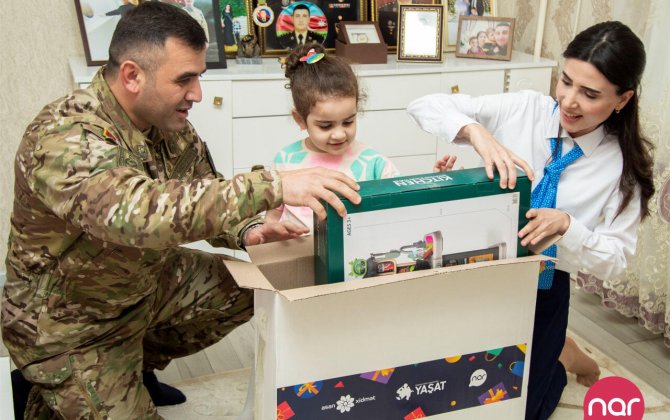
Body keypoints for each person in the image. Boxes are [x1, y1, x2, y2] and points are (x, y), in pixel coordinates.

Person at [1, 3, 361, 419]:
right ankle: (48, 385)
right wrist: (275, 185)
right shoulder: (64, 135)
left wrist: (247, 230)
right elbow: (139, 214)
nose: (198, 94)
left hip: (142, 284)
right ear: (133, 75)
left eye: (199, 77)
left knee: (254, 288)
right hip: (71, 324)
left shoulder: (170, 126)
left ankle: (134, 367)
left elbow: (202, 191)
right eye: (184, 79)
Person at [408, 21, 654, 420]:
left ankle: (560, 357)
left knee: (525, 410)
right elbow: (422, 104)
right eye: (566, 81)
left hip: (545, 284)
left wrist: (568, 228)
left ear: (622, 99)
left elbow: (617, 260)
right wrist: (475, 133)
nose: (569, 102)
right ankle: (562, 346)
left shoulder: (623, 167)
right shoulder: (526, 108)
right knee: (452, 392)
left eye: (590, 94)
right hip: (480, 267)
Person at [269, 44, 458, 231]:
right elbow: (273, 215)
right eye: (326, 126)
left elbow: (404, 204)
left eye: (348, 122)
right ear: (300, 120)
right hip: (295, 253)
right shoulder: (285, 160)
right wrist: (269, 232)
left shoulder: (373, 163)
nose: (339, 134)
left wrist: (434, 183)